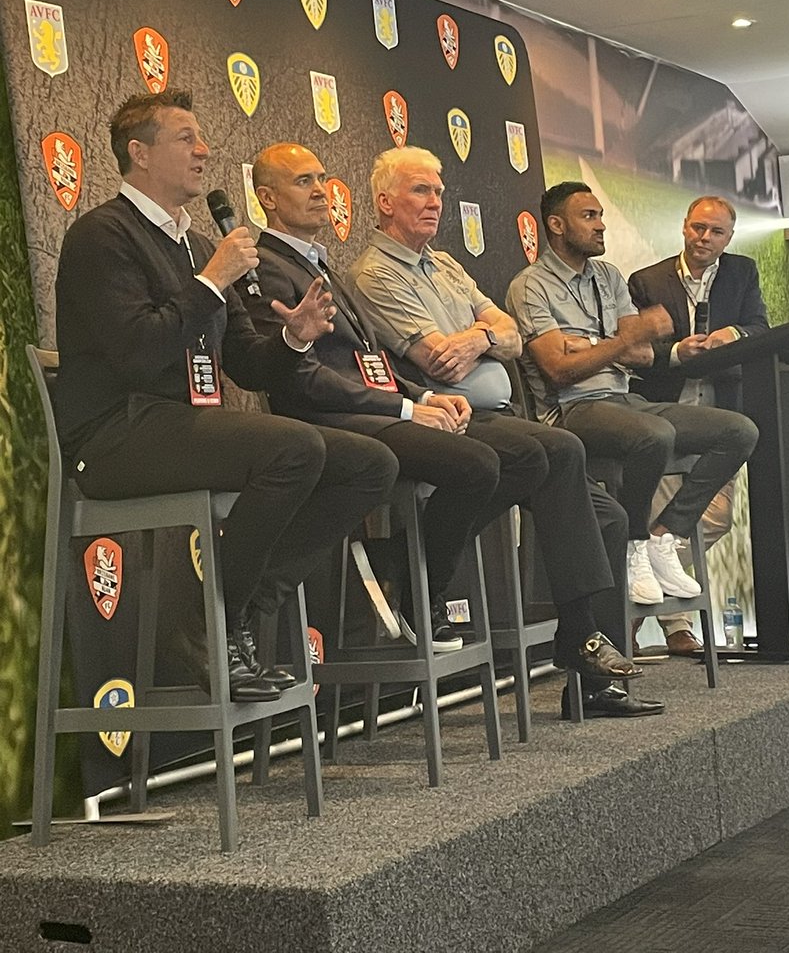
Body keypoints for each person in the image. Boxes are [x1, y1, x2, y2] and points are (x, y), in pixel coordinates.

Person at [54, 89, 398, 702]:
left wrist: (293, 338)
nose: (204, 149)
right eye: (185, 138)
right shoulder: (100, 235)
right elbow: (137, 351)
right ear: (139, 152)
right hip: (115, 435)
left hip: (183, 427)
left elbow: (244, 361)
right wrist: (212, 279)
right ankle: (215, 628)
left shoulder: (192, 244)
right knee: (292, 448)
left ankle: (244, 603)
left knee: (369, 464)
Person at [348, 147, 663, 719]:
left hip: (500, 417)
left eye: (440, 191)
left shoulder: (444, 265)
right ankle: (579, 649)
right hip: (449, 419)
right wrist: (482, 334)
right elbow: (435, 358)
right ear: (384, 201)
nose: (436, 201)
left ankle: (591, 669)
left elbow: (511, 333)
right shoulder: (374, 274)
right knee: (557, 448)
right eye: (421, 191)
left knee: (611, 517)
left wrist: (476, 337)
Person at [243, 141, 501, 653]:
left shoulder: (318, 264)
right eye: (304, 182)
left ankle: (403, 568)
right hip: (326, 419)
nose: (321, 191)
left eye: (322, 178)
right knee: (475, 466)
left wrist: (425, 395)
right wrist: (406, 409)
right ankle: (415, 587)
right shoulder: (267, 266)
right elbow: (304, 377)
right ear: (267, 198)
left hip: (371, 410)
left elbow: (369, 362)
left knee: (500, 461)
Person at [505, 181, 758, 630]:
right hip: (573, 409)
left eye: (601, 214)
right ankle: (634, 543)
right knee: (655, 436)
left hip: (626, 398)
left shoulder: (610, 277)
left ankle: (665, 534)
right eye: (589, 217)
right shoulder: (531, 286)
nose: (601, 225)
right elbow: (559, 370)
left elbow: (642, 355)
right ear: (557, 225)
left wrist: (589, 345)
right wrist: (622, 339)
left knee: (739, 431)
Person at [626, 195, 769, 654]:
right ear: (684, 226)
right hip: (667, 413)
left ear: (729, 238)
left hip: (723, 415)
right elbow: (634, 356)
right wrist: (674, 355)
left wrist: (736, 335)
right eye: (698, 228)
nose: (704, 238)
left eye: (716, 232)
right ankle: (673, 625)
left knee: (712, 520)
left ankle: (647, 575)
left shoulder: (742, 272)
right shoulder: (645, 281)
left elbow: (761, 329)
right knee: (665, 509)